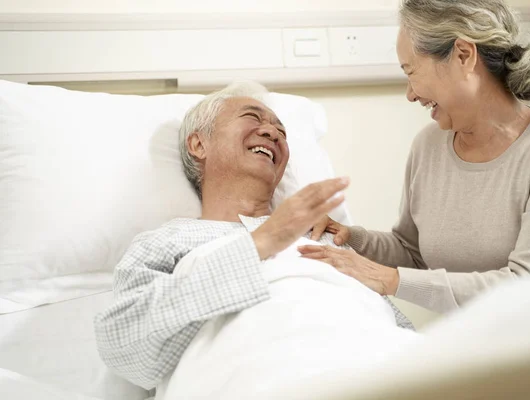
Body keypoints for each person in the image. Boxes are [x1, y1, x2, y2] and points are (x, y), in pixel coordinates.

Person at [93, 82, 414, 391]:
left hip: (386, 370)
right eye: (252, 118)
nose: (272, 132)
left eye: (282, 131)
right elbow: (124, 348)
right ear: (198, 144)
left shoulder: (324, 238)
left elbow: (396, 327)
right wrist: (260, 244)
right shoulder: (167, 241)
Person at [303, 0, 530, 314]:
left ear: (463, 55)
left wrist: (391, 280)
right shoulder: (428, 146)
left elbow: (529, 286)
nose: (410, 93)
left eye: (411, 72)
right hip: (478, 343)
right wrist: (352, 239)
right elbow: (413, 252)